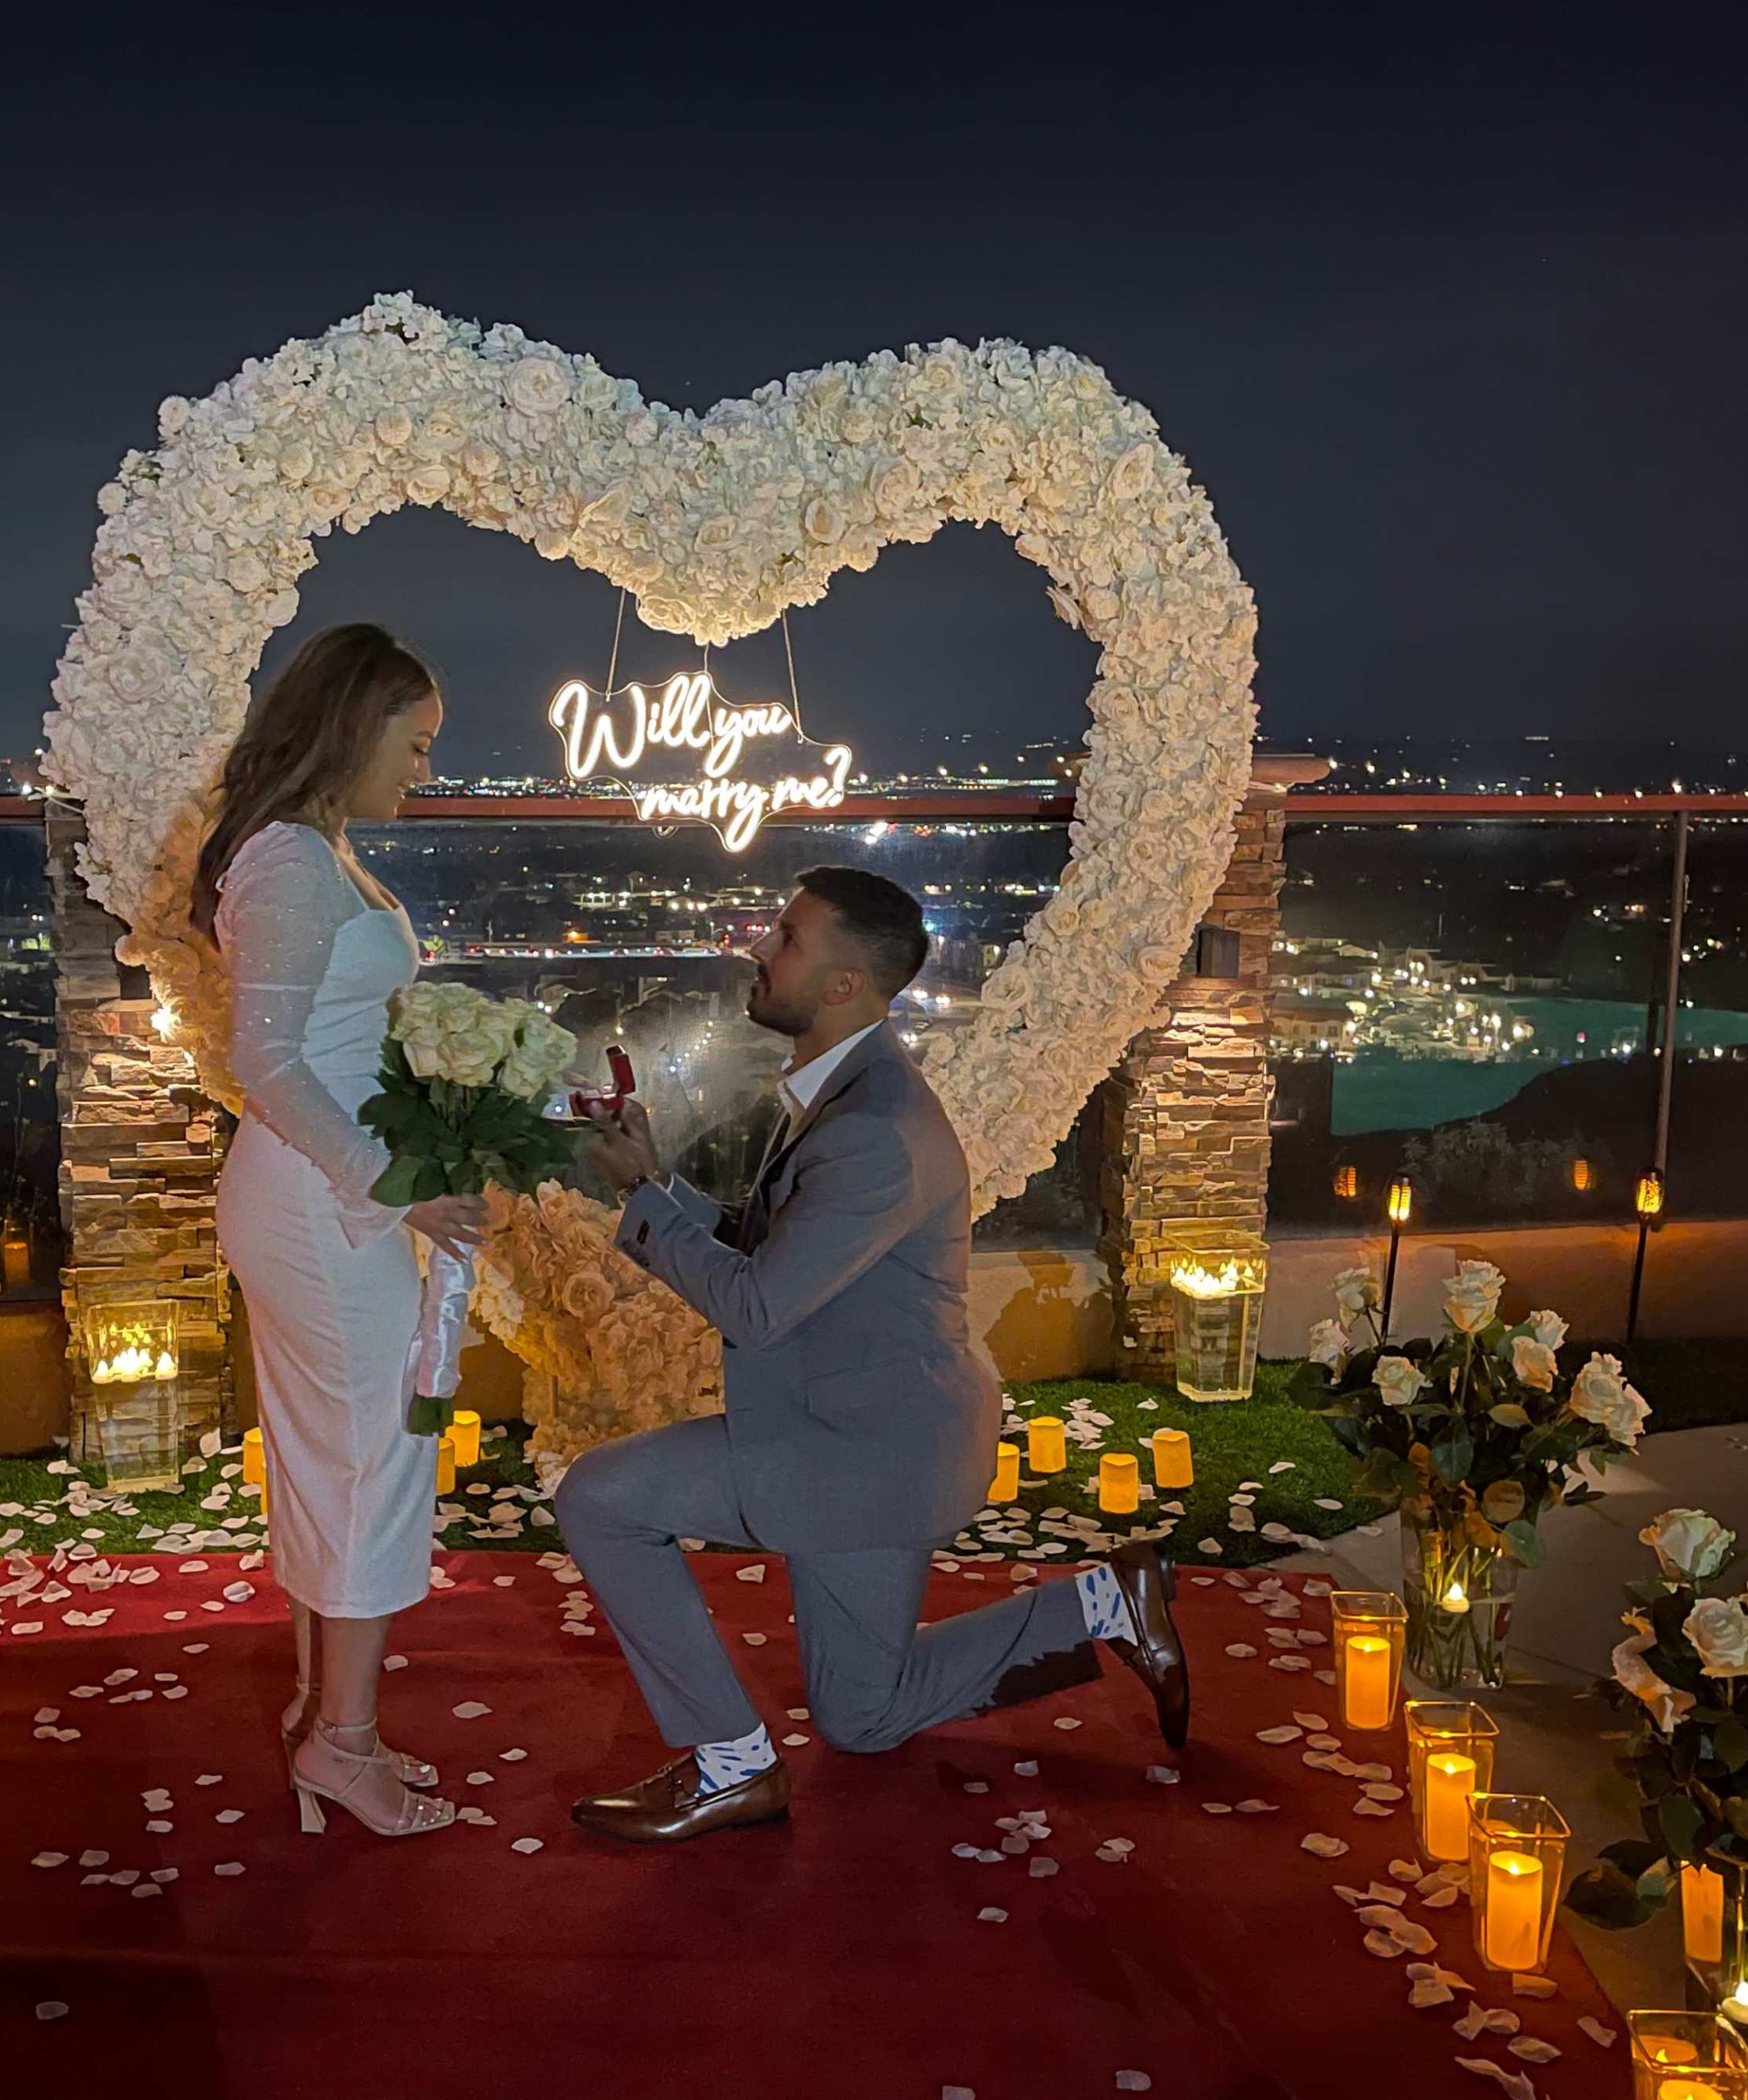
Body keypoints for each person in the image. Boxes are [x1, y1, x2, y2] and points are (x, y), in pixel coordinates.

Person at [557, 867, 1190, 1843]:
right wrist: (658, 1186)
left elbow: (760, 1305)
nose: (760, 951)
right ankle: (1108, 1602)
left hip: (858, 1449)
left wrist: (646, 1201)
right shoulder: (846, 1091)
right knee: (864, 1714)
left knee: (599, 1496)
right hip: (877, 1431)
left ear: (846, 985)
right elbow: (785, 1247)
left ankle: (730, 1766)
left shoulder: (874, 1132)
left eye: (787, 938)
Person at [190, 623, 483, 1839]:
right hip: (324, 1205)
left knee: (338, 1456)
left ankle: (327, 1715)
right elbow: (267, 1064)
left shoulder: (322, 853)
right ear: (353, 727)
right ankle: (344, 1747)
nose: (422, 770)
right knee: (372, 1458)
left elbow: (338, 1045)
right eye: (412, 745)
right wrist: (395, 1182)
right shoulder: (289, 865)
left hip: (331, 1194)